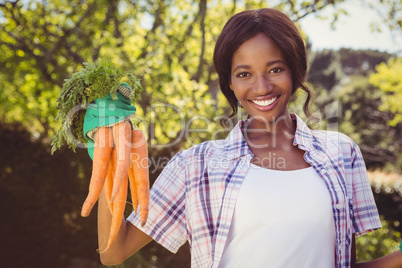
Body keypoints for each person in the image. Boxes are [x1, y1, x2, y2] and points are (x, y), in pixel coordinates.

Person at [97, 8, 402, 268]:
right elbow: (114, 251)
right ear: (229, 82)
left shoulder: (341, 152)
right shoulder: (195, 165)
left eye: (275, 69)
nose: (261, 87)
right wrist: (109, 158)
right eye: (244, 74)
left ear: (295, 71)